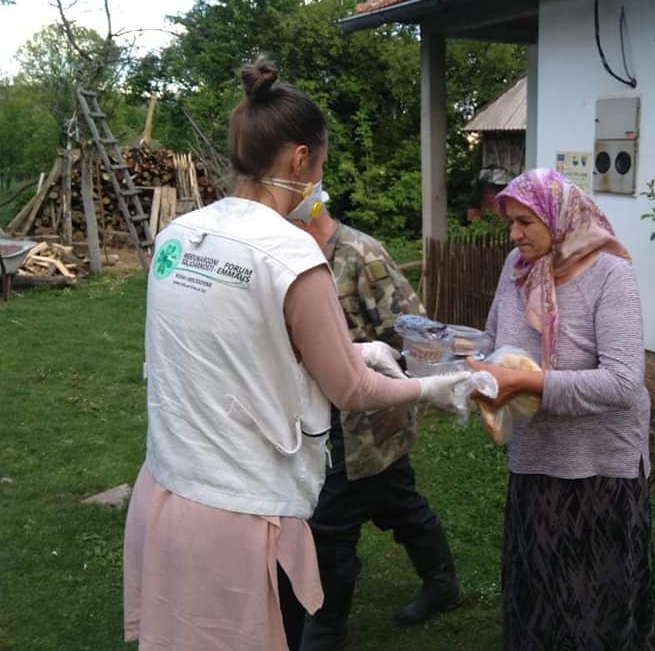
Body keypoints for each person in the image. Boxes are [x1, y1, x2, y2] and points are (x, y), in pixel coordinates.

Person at [123, 59, 468, 651]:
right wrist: (429, 388)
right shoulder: (291, 252)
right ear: (301, 159)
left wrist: (357, 348)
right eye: (323, 162)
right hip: (238, 509)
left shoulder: (179, 236)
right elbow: (352, 394)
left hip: (166, 485)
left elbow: (240, 344)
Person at [468, 167, 655, 651]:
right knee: (539, 590)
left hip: (599, 470)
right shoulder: (518, 267)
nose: (513, 234)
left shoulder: (611, 275)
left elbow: (622, 382)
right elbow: (493, 339)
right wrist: (475, 368)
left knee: (593, 599)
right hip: (536, 459)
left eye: (525, 222)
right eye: (510, 222)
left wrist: (528, 382)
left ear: (560, 218)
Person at [296, 208, 462, 650]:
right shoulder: (297, 255)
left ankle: (325, 631)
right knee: (400, 505)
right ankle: (443, 585)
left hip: (365, 424)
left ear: (307, 216)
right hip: (325, 416)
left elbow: (416, 334)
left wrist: (391, 381)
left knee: (330, 525)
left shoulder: (360, 255)